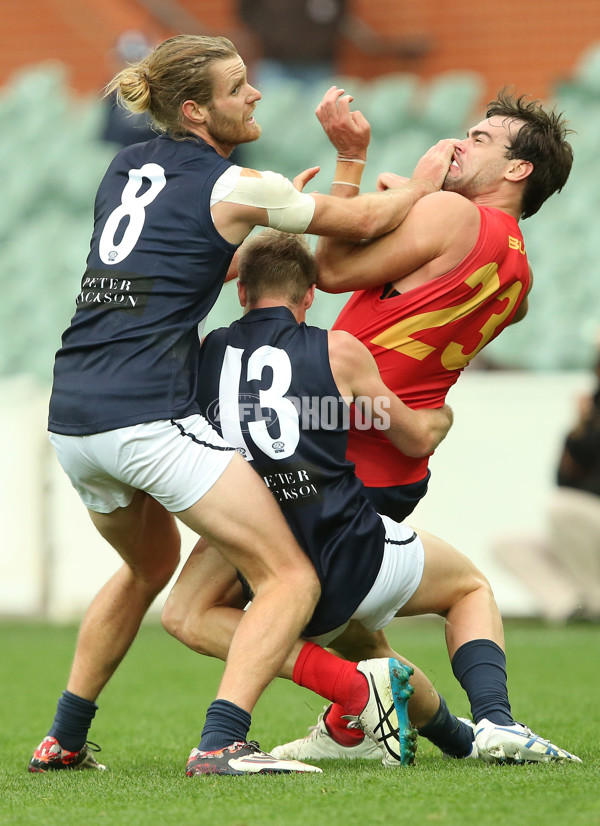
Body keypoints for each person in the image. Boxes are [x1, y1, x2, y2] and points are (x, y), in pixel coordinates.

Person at [28, 34, 456, 777]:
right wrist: (417, 183)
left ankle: (64, 737)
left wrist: (268, 208)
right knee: (290, 579)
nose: (254, 95)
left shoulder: (125, 167)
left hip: (73, 417)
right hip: (146, 419)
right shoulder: (232, 186)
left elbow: (188, 260)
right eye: (237, 88)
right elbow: (354, 229)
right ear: (195, 110)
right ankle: (224, 741)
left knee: (146, 567)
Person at [162, 229, 581, 767]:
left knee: (370, 653)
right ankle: (497, 721)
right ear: (311, 296)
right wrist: (438, 418)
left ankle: (451, 740)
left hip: (262, 567)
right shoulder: (338, 351)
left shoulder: (206, 353)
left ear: (241, 293)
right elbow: (413, 435)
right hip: (350, 547)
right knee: (469, 588)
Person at [269, 85, 575, 758]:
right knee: (351, 610)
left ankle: (483, 725)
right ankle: (382, 722)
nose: (464, 142)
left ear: (519, 170)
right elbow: (422, 298)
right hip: (399, 467)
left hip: (334, 443)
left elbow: (329, 269)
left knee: (448, 589)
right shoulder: (520, 275)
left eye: (485, 140)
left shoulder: (446, 211)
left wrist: (401, 186)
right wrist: (405, 210)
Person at [493, 350, 600, 623]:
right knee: (507, 545)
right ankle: (572, 610)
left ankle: (594, 600)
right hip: (587, 529)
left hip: (587, 522)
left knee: (562, 508)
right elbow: (564, 480)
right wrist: (583, 424)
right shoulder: (588, 418)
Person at [237, 0, 431, 90]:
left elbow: (345, 21)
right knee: (271, 124)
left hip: (320, 67)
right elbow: (246, 18)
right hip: (275, 65)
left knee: (321, 126)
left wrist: (394, 47)